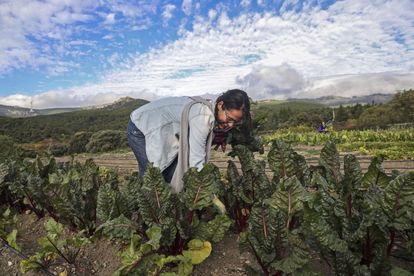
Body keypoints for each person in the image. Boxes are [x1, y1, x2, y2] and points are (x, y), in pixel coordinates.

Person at [127, 89, 251, 193]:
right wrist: (203, 190)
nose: (230, 124)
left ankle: (169, 210)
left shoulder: (210, 110)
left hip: (163, 131)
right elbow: (196, 159)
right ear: (220, 105)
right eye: (229, 118)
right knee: (152, 176)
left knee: (170, 176)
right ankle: (148, 217)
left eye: (235, 121)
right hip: (140, 128)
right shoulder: (202, 116)